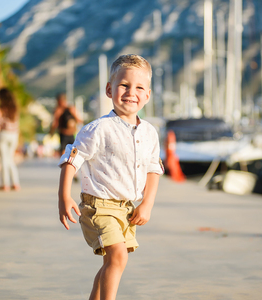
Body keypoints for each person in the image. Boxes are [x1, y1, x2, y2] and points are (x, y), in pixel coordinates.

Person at [57, 54, 163, 300]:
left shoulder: (149, 132)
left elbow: (153, 168)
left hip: (126, 208)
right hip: (98, 207)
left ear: (147, 95)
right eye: (124, 85)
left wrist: (147, 203)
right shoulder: (97, 129)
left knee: (111, 263)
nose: (130, 92)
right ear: (109, 89)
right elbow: (72, 158)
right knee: (117, 256)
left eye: (139, 87)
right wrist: (64, 196)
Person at [0, 88, 21, 192]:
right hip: (14, 136)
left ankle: (5, 184)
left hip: (4, 135)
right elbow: (17, 124)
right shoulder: (15, 109)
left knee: (3, 160)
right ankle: (16, 183)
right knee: (10, 159)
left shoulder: (0, 109)